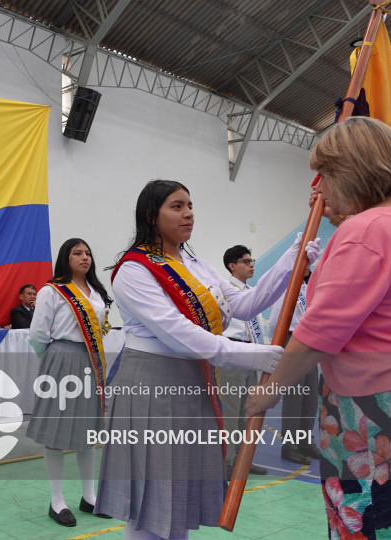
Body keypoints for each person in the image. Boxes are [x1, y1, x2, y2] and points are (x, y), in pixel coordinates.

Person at [245, 117, 391, 538]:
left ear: (351, 171)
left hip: (383, 410)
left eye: (323, 176)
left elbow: (321, 331)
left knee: (384, 521)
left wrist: (265, 394)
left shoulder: (366, 230)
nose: (318, 190)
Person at [94, 179, 319, 539]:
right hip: (153, 383)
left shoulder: (195, 263)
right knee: (150, 501)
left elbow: (246, 302)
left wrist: (294, 255)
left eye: (190, 205)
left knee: (177, 497)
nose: (188, 214)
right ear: (151, 215)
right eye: (177, 206)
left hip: (193, 380)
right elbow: (178, 333)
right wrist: (252, 355)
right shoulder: (134, 270)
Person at [26, 238, 113, 528]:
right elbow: (38, 334)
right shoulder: (53, 291)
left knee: (87, 433)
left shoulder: (97, 293)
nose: (84, 257)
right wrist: (54, 360)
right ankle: (57, 500)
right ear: (66, 257)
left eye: (88, 252)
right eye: (77, 253)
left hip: (91, 362)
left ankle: (89, 496)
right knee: (56, 432)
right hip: (61, 359)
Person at [220, 245, 268, 476]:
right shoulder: (224, 290)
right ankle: (228, 463)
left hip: (252, 354)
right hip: (232, 351)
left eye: (252, 260)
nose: (251, 265)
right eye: (246, 261)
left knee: (247, 412)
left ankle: (242, 461)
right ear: (232, 265)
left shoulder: (251, 291)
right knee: (230, 412)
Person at [266, 266, 319, 466]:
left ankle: (305, 442)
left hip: (310, 341)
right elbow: (274, 322)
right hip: (292, 339)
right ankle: (290, 446)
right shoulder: (287, 287)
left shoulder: (307, 288)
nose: (307, 266)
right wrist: (282, 346)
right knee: (294, 397)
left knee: (310, 397)